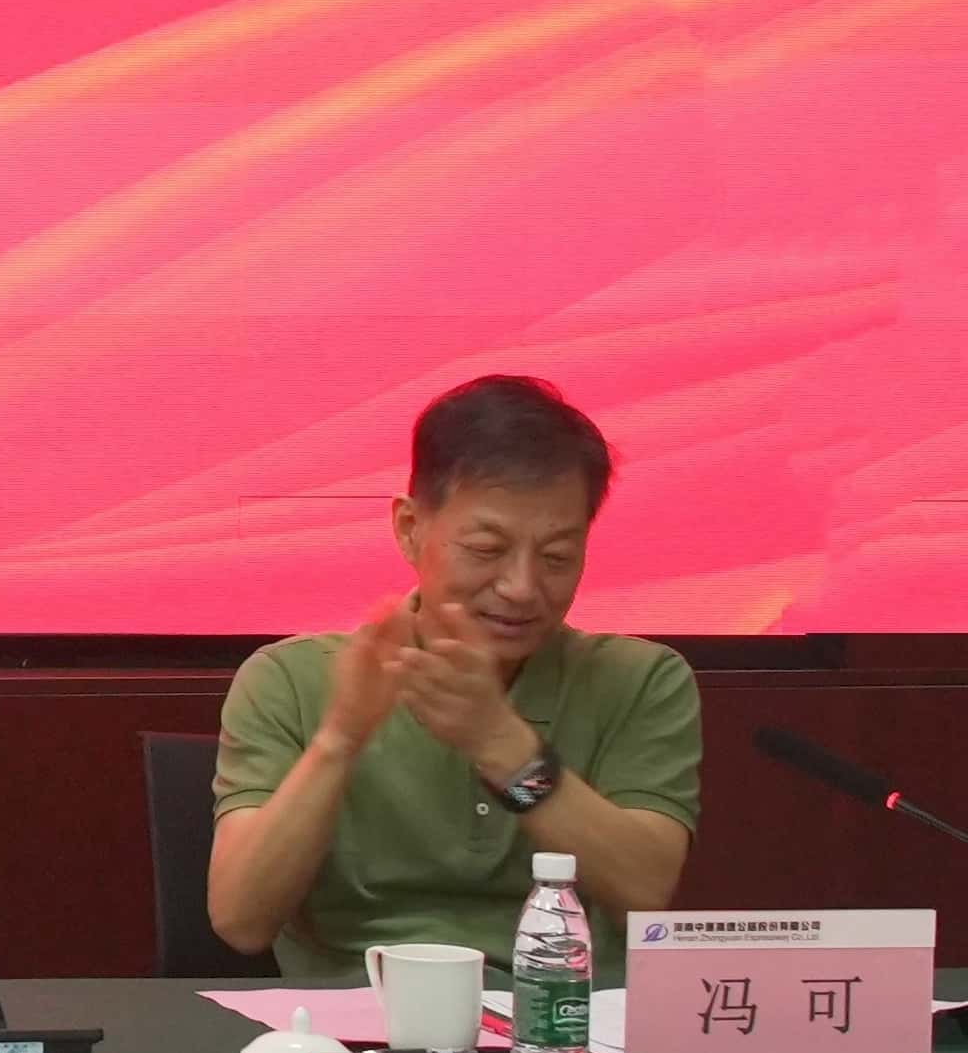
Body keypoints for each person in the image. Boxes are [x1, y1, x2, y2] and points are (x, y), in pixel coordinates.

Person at [208, 373, 698, 980]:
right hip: (355, 1015)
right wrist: (340, 740)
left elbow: (644, 893)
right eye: (487, 549)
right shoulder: (289, 679)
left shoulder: (640, 680)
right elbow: (242, 920)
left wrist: (501, 746)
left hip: (557, 1016)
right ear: (410, 529)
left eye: (557, 557)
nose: (521, 587)